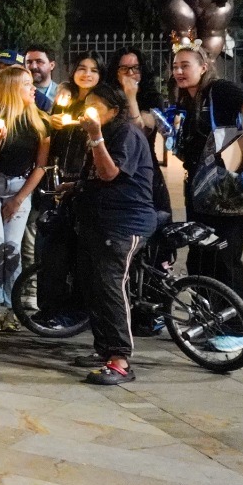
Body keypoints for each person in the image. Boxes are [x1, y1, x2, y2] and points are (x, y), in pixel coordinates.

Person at [66, 83, 157, 385]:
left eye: (95, 106)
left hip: (124, 222)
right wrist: (75, 187)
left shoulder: (125, 134)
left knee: (110, 286)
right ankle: (104, 349)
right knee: (94, 287)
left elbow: (110, 173)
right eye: (85, 105)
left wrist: (95, 136)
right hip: (98, 221)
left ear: (115, 110)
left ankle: (120, 359)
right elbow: (94, 178)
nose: (87, 112)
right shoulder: (102, 134)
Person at [173, 40, 243, 297]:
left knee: (225, 255)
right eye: (175, 67)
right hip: (197, 186)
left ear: (203, 67)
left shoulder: (220, 90)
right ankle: (205, 317)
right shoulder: (186, 100)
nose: (179, 72)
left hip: (225, 185)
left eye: (185, 66)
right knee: (200, 254)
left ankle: (233, 329)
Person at [0, 66, 51, 332]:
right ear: (12, 88)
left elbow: (41, 166)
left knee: (12, 246)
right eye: (27, 84)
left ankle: (11, 304)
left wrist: (18, 199)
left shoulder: (40, 121)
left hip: (20, 187)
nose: (33, 88)